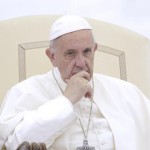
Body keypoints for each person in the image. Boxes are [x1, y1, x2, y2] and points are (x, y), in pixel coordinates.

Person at [0, 15, 150, 150]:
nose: (80, 62)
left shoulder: (128, 94)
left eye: (86, 51)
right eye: (70, 54)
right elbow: (15, 145)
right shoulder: (25, 92)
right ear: (52, 57)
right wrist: (67, 99)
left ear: (95, 49)